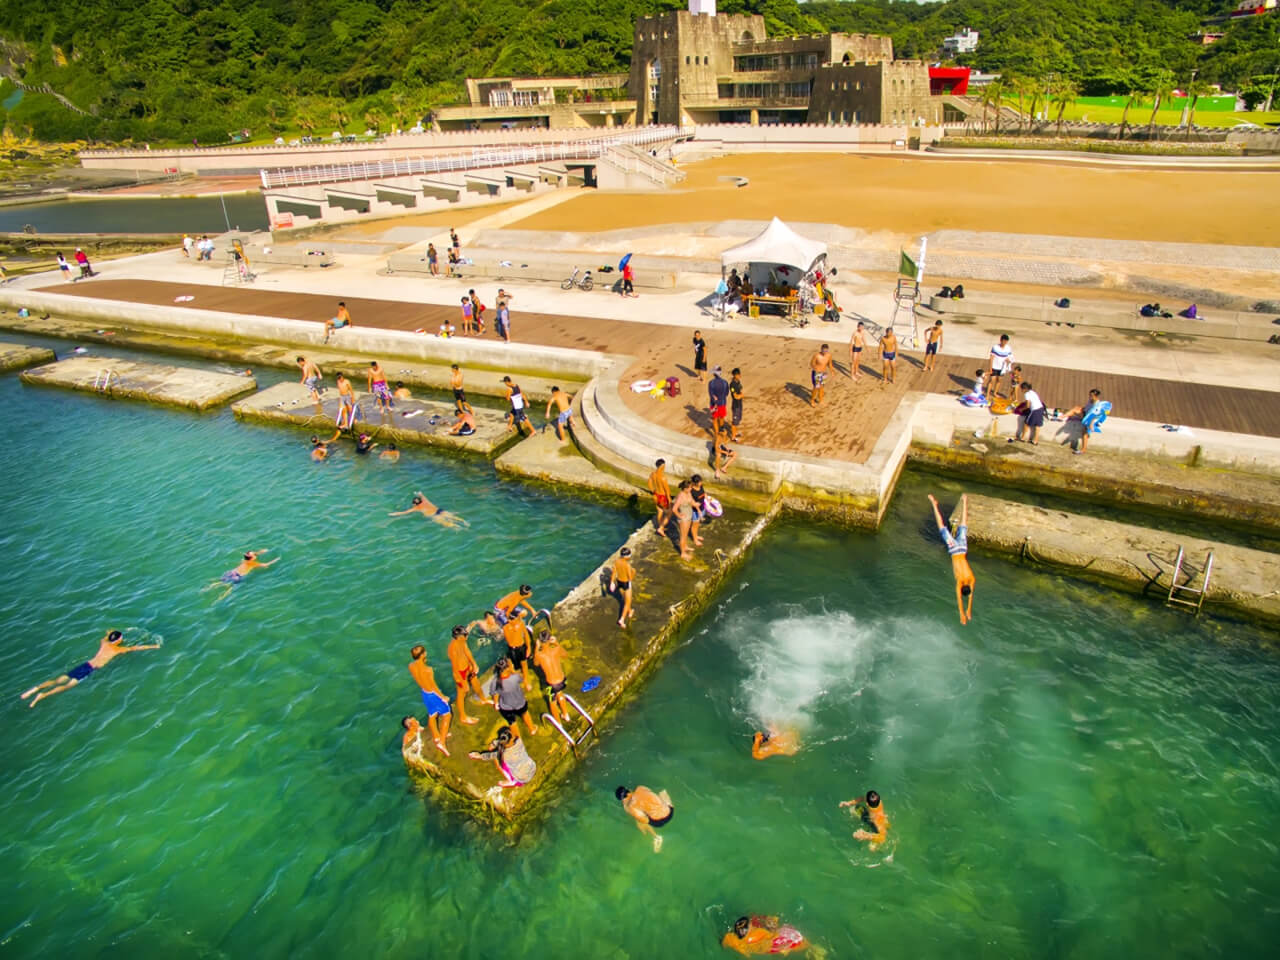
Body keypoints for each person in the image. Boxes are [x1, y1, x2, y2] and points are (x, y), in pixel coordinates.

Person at [21, 630, 161, 709]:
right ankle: (41, 696)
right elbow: (135, 648)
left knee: (58, 680)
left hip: (86, 664)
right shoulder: (118, 649)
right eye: (121, 638)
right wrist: (153, 646)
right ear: (118, 640)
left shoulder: (104, 643)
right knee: (67, 686)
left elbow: (107, 635)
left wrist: (109, 633)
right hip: (90, 669)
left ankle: (35, 689)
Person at [928, 493, 975, 625]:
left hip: (962, 549)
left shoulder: (971, 579)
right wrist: (963, 613)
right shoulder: (960, 582)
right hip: (954, 550)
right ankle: (933, 504)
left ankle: (965, 501)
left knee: (963, 525)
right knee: (942, 527)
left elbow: (970, 596)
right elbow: (959, 599)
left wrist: (969, 610)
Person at [408, 645, 452, 755]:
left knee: (432, 715)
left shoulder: (411, 666)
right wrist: (443, 697)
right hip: (432, 694)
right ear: (423, 654)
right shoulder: (428, 670)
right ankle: (442, 742)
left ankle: (436, 736)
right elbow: (433, 687)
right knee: (447, 715)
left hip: (424, 693)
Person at [469, 724, 537, 787]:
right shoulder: (519, 741)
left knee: (499, 762)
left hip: (520, 779)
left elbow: (489, 755)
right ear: (513, 738)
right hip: (532, 768)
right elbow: (505, 741)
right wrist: (495, 743)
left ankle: (512, 781)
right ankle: (514, 779)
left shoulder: (504, 755)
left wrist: (479, 755)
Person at [484, 658, 538, 735]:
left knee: (512, 722)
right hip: (520, 703)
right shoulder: (515, 677)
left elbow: (495, 694)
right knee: (525, 714)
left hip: (506, 708)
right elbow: (522, 679)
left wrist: (496, 704)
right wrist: (513, 671)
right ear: (507, 668)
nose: (512, 665)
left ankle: (516, 736)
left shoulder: (494, 682)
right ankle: (532, 729)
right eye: (511, 664)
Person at [202, 549, 278, 601]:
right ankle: (221, 597)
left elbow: (252, 555)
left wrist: (260, 552)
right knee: (230, 588)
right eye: (254, 555)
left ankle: (209, 587)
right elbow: (266, 565)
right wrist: (276, 560)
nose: (255, 555)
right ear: (252, 558)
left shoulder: (244, 560)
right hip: (238, 576)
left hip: (232, 572)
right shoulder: (254, 563)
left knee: (221, 582)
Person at [616, 785, 673, 852]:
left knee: (639, 821)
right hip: (670, 811)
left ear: (623, 799)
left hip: (659, 822)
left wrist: (626, 807)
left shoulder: (631, 806)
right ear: (628, 790)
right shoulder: (640, 788)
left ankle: (656, 837)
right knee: (662, 792)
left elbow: (645, 820)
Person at [447, 625, 485, 725]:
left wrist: (474, 663)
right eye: (465, 636)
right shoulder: (452, 649)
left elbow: (467, 651)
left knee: (475, 681)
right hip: (460, 673)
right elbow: (455, 669)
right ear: (459, 637)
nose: (467, 637)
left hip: (467, 667)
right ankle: (463, 717)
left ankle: (483, 699)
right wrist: (463, 682)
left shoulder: (462, 641)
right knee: (461, 694)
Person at [721, 915, 809, 956]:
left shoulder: (730, 938)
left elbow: (723, 943)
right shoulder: (759, 933)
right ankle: (812, 949)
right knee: (799, 939)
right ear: (750, 928)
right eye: (751, 925)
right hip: (770, 944)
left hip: (758, 948)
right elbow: (774, 936)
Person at [532, 630, 568, 723]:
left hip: (552, 684)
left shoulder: (539, 655)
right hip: (562, 680)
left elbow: (535, 663)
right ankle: (565, 715)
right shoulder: (556, 649)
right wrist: (556, 643)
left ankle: (558, 723)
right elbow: (565, 655)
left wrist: (537, 648)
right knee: (560, 694)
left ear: (540, 641)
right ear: (549, 640)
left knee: (552, 702)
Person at [389, 491, 468, 528]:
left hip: (435, 516)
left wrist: (393, 514)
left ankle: (458, 527)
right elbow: (421, 494)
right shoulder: (425, 500)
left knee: (448, 524)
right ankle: (464, 521)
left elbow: (404, 512)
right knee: (454, 517)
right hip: (440, 510)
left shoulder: (416, 508)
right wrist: (419, 494)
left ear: (415, 503)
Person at [501, 607, 535, 689]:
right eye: (516, 619)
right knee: (514, 665)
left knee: (524, 664)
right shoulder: (506, 628)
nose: (517, 621)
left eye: (517, 619)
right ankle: (515, 675)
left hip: (521, 647)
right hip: (512, 648)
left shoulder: (521, 624)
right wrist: (513, 630)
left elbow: (526, 635)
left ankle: (526, 680)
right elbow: (509, 641)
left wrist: (529, 647)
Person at [1065, 388, 1106, 454]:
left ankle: (1083, 449)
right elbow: (1086, 408)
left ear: (1096, 396)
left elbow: (1096, 415)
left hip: (1090, 419)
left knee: (1085, 433)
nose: (1090, 397)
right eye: (1090, 395)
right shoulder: (1090, 401)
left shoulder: (1097, 405)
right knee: (1075, 410)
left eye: (1091, 396)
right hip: (1085, 415)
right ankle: (1083, 449)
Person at [1012, 381, 1046, 445]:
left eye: (1021, 389)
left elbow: (1028, 406)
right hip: (1040, 409)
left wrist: (1021, 409)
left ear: (1024, 389)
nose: (1021, 390)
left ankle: (1022, 438)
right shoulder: (1033, 392)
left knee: (1026, 423)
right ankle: (1035, 441)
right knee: (1037, 425)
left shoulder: (1026, 394)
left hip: (1034, 410)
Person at [610, 546, 636, 628]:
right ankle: (622, 619)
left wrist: (611, 582)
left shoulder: (616, 561)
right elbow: (630, 578)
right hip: (626, 583)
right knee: (627, 602)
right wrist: (634, 572)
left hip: (619, 582)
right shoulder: (627, 565)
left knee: (625, 598)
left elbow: (614, 573)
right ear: (627, 556)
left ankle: (630, 611)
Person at [673, 480, 696, 562]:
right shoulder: (680, 496)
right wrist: (680, 516)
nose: (691, 489)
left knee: (685, 534)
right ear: (685, 488)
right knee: (683, 536)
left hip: (689, 515)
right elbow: (674, 509)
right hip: (684, 519)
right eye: (690, 488)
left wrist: (696, 504)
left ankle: (685, 546)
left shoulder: (688, 493)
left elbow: (691, 501)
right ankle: (683, 553)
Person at [985, 334, 1013, 399]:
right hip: (994, 366)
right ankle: (988, 394)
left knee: (999, 380)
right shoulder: (995, 347)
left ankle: (995, 393)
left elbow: (1010, 357)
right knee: (992, 380)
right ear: (1001, 340)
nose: (1005, 343)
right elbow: (991, 358)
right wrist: (990, 368)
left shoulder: (1008, 348)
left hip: (1002, 368)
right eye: (1004, 341)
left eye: (1006, 341)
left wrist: (1008, 361)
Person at [648, 459, 672, 532]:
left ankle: (660, 526)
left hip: (656, 495)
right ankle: (661, 528)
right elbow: (667, 492)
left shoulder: (652, 474)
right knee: (669, 513)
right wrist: (670, 501)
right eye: (664, 466)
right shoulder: (663, 478)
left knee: (660, 511)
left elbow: (649, 483)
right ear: (662, 466)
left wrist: (653, 491)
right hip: (663, 497)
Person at [707, 365, 730, 438]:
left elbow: (711, 395)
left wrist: (715, 403)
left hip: (714, 404)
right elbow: (726, 393)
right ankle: (722, 430)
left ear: (714, 374)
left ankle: (717, 434)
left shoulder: (711, 383)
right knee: (721, 417)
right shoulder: (725, 382)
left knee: (714, 419)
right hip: (722, 403)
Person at [728, 368, 744, 442]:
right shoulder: (732, 384)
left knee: (738, 420)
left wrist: (740, 395)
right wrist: (741, 395)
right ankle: (733, 437)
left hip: (739, 404)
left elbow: (740, 390)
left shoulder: (738, 382)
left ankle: (736, 433)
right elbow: (735, 396)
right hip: (736, 405)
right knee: (734, 422)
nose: (740, 375)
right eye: (738, 374)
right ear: (735, 375)